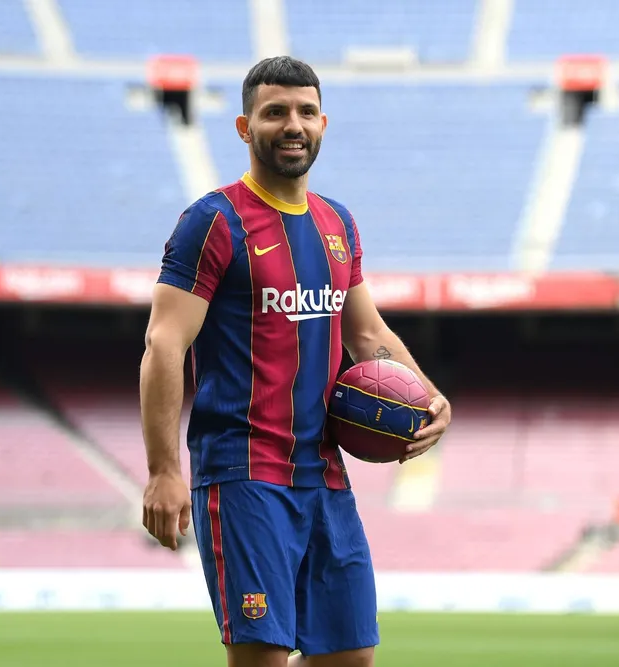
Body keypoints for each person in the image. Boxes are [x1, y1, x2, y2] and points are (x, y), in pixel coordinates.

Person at [140, 56, 451, 667]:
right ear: (243, 127)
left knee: (351, 655)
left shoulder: (338, 223)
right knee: (263, 657)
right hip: (244, 474)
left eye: (307, 112)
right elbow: (164, 344)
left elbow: (366, 333)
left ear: (323, 124)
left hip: (325, 473)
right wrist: (162, 470)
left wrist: (429, 395)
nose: (293, 125)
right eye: (275, 112)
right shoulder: (213, 222)